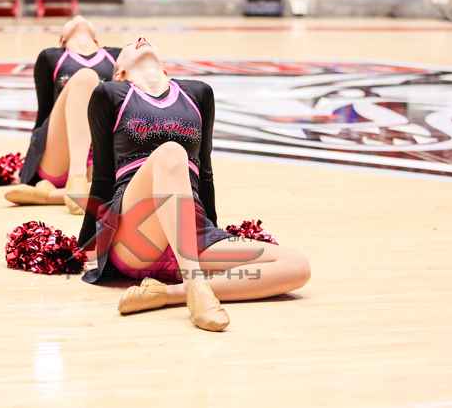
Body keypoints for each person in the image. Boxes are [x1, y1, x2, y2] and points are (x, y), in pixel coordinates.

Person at [77, 37, 311, 332]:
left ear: (165, 67)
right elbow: (103, 177)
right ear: (119, 72)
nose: (140, 39)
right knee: (171, 153)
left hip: (191, 227)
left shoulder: (197, 93)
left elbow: (205, 173)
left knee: (297, 266)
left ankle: (172, 293)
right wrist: (85, 246)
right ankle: (196, 284)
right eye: (129, 45)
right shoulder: (111, 94)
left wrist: (213, 232)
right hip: (136, 231)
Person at [5, 16, 120, 214]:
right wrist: (29, 169)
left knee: (120, 182)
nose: (79, 18)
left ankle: (51, 196)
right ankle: (76, 178)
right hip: (59, 155)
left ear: (97, 40)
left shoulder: (116, 56)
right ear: (62, 39)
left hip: (97, 158)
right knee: (86, 77)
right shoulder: (50, 57)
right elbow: (44, 113)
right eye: (71, 22)